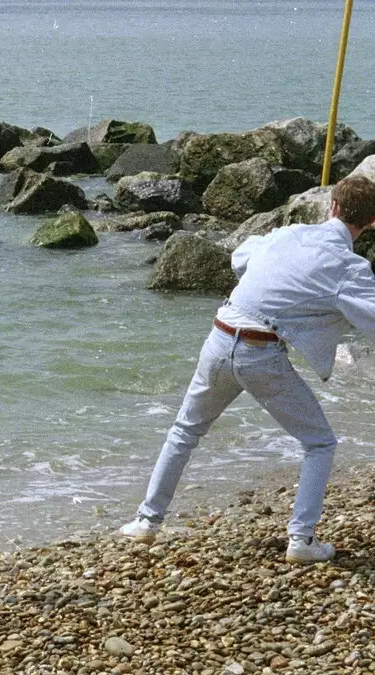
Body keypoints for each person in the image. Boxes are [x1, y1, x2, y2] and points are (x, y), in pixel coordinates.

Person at [121, 175, 375, 561]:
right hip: (261, 353)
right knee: (320, 443)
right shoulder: (349, 267)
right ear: (372, 222)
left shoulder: (287, 234)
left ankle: (146, 521)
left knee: (184, 431)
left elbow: (241, 257)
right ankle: (301, 541)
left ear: (333, 207)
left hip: (221, 335)